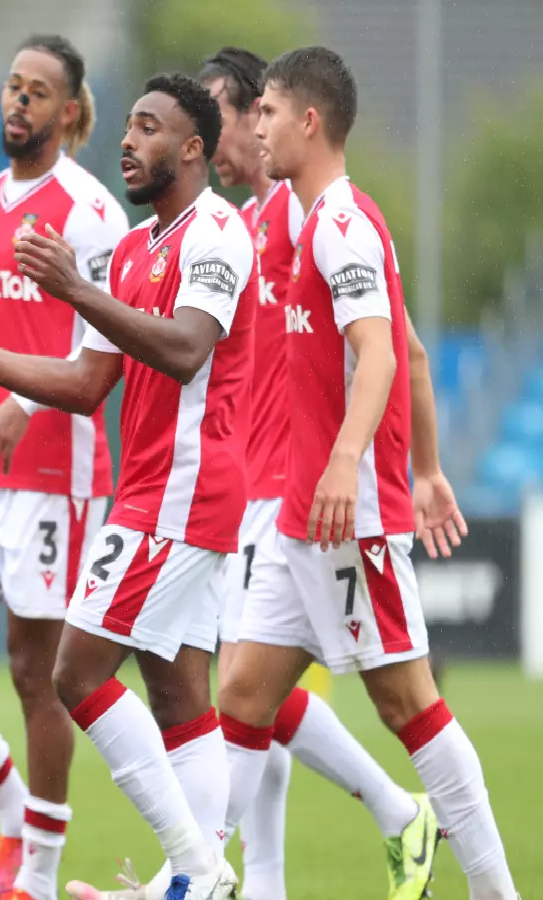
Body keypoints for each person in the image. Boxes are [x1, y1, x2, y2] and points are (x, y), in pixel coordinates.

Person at [216, 45, 518, 900]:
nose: (258, 126)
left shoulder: (343, 224)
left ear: (308, 121)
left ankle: (495, 891)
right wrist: (427, 466)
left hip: (346, 519)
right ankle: (192, 878)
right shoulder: (313, 222)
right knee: (241, 693)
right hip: (296, 515)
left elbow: (381, 354)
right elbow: (417, 352)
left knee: (407, 706)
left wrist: (356, 463)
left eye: (267, 111)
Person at [0, 72, 253, 900]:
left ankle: (200, 871)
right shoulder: (137, 249)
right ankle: (189, 880)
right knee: (175, 699)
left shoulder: (218, 233)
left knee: (74, 672)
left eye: (148, 128)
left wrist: (75, 289)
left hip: (184, 494)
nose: (128, 142)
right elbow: (88, 384)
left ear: (194, 148)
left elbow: (185, 349)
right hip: (153, 491)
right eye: (127, 128)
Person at [0, 34, 127, 900]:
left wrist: (23, 405)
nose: (19, 102)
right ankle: (10, 810)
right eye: (12, 86)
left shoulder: (90, 212)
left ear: (70, 113)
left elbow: (100, 354)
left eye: (38, 92)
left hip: (56, 475)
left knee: (34, 671)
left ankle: (37, 876)